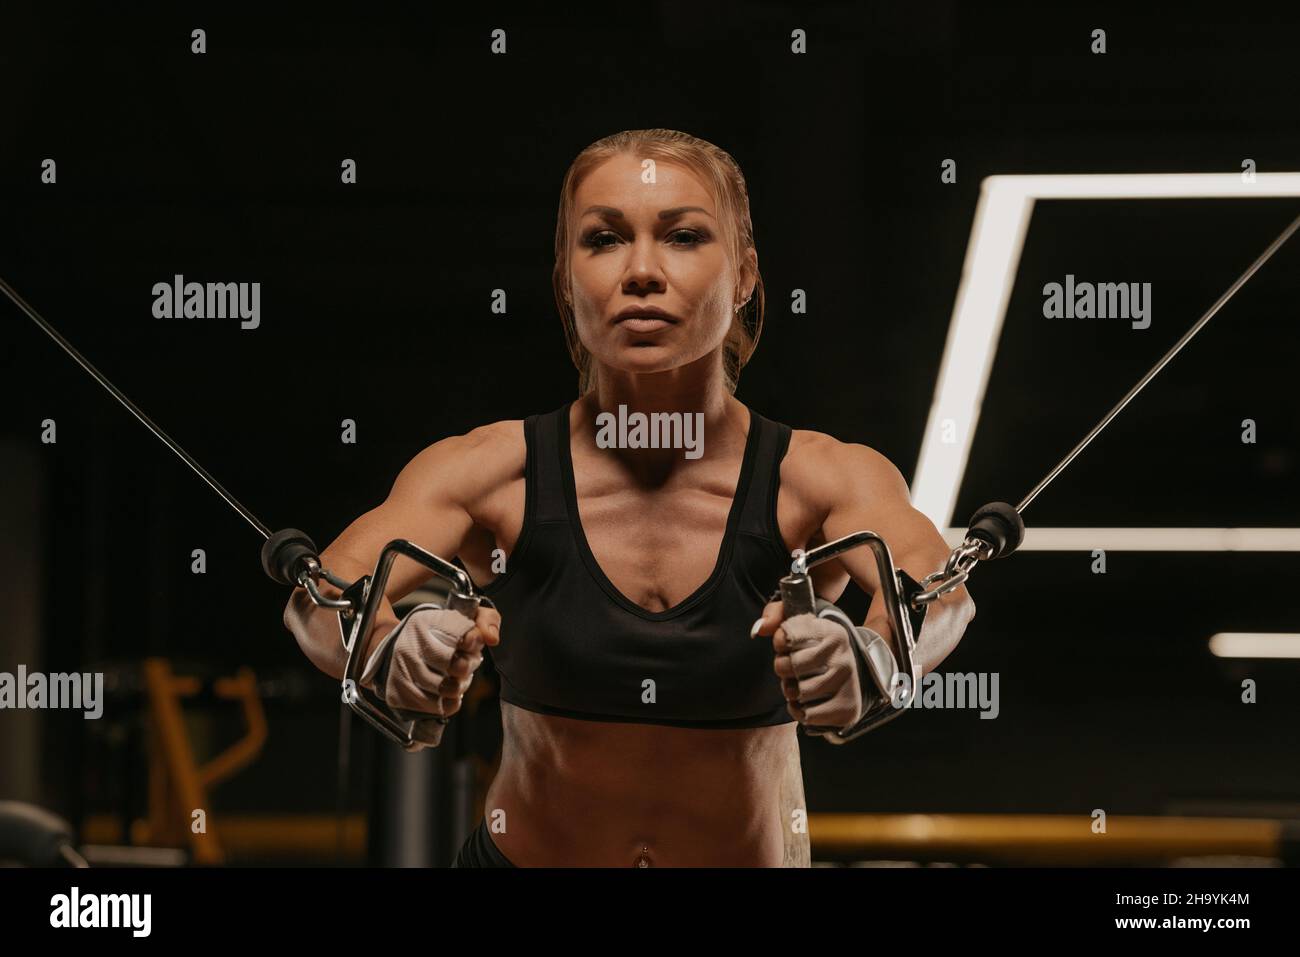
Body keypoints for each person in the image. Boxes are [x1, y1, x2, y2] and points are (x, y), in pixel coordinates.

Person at [282, 129, 975, 867]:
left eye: (682, 236)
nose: (642, 270)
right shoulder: (488, 473)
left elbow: (943, 596)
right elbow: (314, 602)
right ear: (565, 282)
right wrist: (388, 646)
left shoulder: (819, 478)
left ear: (743, 275)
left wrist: (871, 653)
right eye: (605, 239)